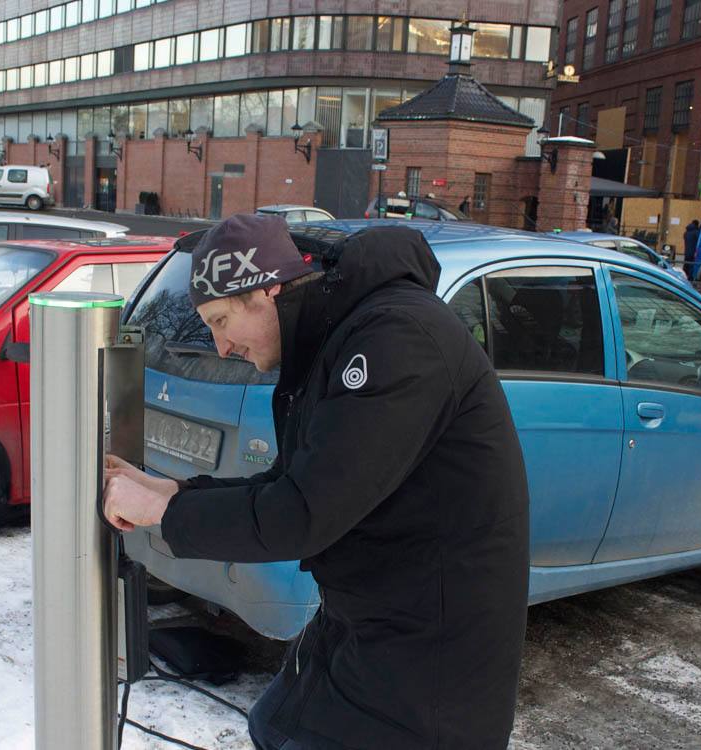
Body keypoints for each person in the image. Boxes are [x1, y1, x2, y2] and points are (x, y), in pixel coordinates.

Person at [104, 213, 531, 749]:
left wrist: (166, 515)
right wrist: (175, 493)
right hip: (366, 628)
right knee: (272, 728)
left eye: (218, 321)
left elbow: (303, 513)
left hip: (429, 670)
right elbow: (291, 481)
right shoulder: (334, 339)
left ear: (266, 292)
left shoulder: (397, 341)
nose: (221, 348)